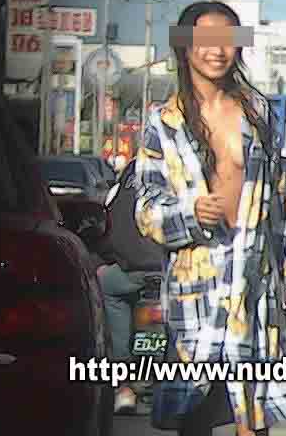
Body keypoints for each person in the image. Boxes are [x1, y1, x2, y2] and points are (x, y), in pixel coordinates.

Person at [134, 0, 286, 436]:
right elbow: (146, 211)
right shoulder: (163, 123)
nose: (217, 50)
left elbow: (279, 201)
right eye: (206, 39)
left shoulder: (258, 111)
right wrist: (190, 213)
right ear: (184, 45)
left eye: (228, 40)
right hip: (196, 286)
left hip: (253, 282)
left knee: (254, 415)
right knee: (195, 413)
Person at [91, 158, 166, 414]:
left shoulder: (127, 177)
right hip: (166, 270)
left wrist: (105, 259)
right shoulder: (182, 170)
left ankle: (123, 386)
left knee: (106, 285)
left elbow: (107, 226)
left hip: (128, 270)